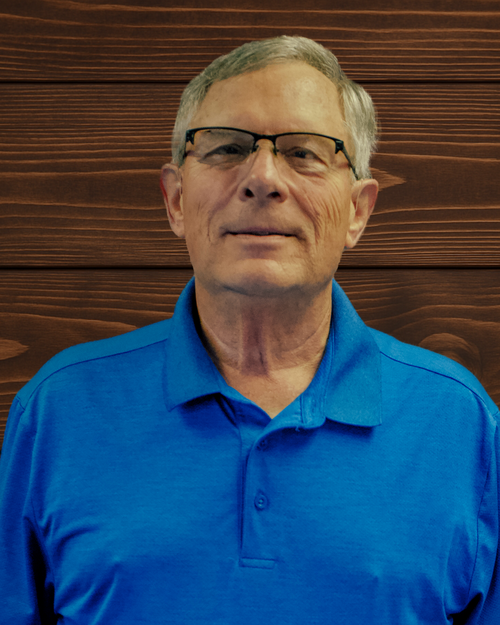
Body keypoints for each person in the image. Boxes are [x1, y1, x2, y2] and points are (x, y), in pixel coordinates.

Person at [0, 36, 498, 625]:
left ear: (358, 211)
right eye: (227, 148)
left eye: (305, 152)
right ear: (176, 200)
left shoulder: (462, 424)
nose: (262, 179)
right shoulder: (57, 411)